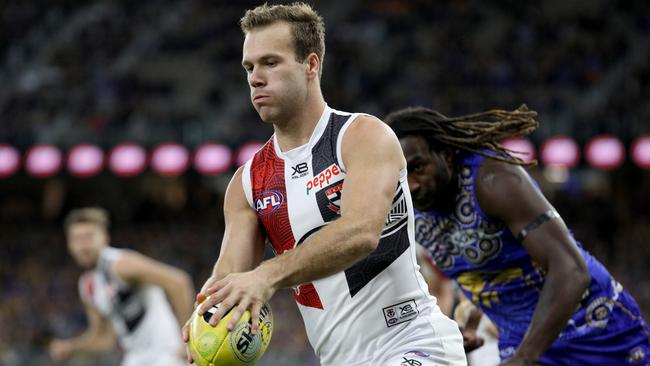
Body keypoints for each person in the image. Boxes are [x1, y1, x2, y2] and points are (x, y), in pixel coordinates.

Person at [184, 3, 466, 366]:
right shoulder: (247, 183)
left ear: (311, 65)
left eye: (270, 63)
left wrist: (267, 275)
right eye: (249, 67)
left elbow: (361, 232)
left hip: (414, 344)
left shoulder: (362, 136)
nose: (255, 77)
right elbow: (232, 277)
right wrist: (208, 318)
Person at [385, 105, 650, 365]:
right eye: (402, 174)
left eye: (418, 167)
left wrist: (523, 358)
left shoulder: (491, 179)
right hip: (521, 343)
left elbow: (571, 269)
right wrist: (467, 322)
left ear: (445, 155)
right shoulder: (404, 205)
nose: (412, 184)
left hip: (594, 333)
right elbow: (480, 273)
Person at [49, 207, 194, 366]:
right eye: (77, 239)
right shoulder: (87, 286)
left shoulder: (120, 264)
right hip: (136, 357)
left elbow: (179, 283)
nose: (83, 246)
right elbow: (103, 339)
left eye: (88, 237)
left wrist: (186, 339)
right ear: (69, 244)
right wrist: (70, 347)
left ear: (104, 237)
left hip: (166, 353)